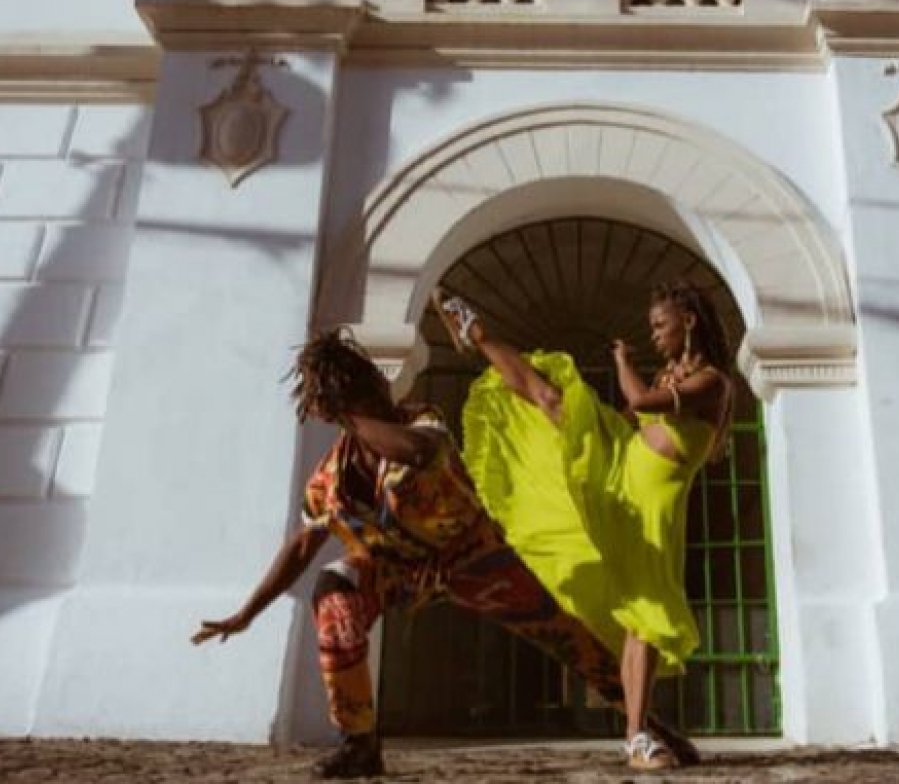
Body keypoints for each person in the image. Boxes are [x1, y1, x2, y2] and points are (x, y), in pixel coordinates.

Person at [191, 329, 698, 779]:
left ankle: (648, 723)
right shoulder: (332, 475)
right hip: (400, 572)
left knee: (573, 641)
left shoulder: (424, 423)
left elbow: (413, 452)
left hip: (475, 560)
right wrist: (246, 613)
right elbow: (302, 545)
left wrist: (351, 412)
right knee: (334, 588)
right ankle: (361, 743)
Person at [431, 279, 734, 771]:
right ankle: (477, 332)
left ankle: (642, 732)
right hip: (621, 477)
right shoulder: (670, 376)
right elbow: (631, 417)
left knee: (644, 619)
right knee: (551, 398)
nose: (654, 335)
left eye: (661, 325)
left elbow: (640, 403)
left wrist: (621, 362)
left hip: (647, 507)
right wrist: (586, 423)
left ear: (690, 321)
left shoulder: (713, 383)